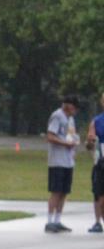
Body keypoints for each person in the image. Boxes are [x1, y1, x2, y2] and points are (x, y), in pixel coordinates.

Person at [45, 95, 79, 232]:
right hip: (57, 160)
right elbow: (50, 136)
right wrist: (65, 143)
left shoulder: (70, 119)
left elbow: (70, 135)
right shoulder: (57, 116)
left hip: (68, 161)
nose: (75, 110)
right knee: (56, 191)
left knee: (64, 191)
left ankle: (57, 220)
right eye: (74, 107)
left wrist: (74, 142)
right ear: (68, 106)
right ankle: (49, 221)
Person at [84, 91, 104, 233]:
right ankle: (98, 221)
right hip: (100, 163)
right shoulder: (96, 121)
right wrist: (90, 142)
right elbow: (89, 145)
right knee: (99, 195)